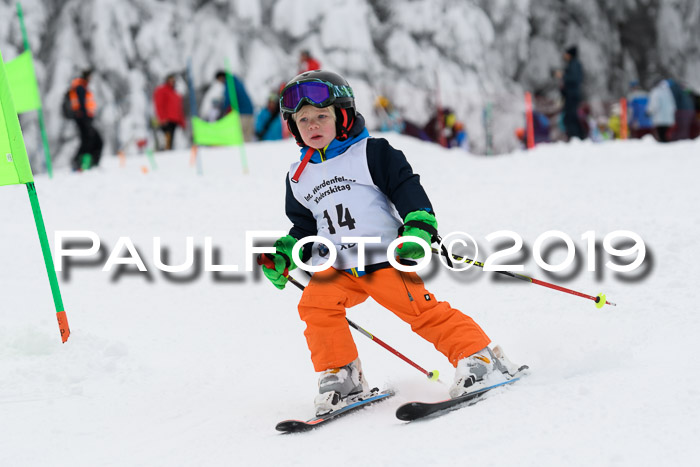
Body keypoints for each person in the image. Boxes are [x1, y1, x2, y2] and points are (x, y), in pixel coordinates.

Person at [259, 70, 525, 416]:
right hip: (337, 266)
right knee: (315, 305)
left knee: (420, 312)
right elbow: (305, 227)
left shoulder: (371, 153)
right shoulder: (299, 176)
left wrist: (417, 227)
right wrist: (285, 255)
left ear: (342, 115)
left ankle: (479, 357)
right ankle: (343, 376)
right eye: (303, 119)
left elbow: (406, 189)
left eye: (321, 116)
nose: (312, 125)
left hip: (383, 258)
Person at [68, 69, 103, 171]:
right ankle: (83, 164)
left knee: (90, 141)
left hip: (84, 119)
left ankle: (85, 164)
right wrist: (86, 119)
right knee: (92, 141)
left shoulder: (81, 86)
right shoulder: (80, 87)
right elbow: (82, 106)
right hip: (84, 119)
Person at [557, 45, 585, 140]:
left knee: (570, 117)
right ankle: (575, 137)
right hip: (571, 95)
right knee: (570, 117)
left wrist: (563, 75)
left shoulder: (574, 64)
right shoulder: (573, 64)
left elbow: (574, 79)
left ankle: (575, 137)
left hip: (572, 95)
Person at [152, 73, 185, 150]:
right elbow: (159, 104)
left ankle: (167, 152)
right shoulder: (162, 90)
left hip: (174, 120)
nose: (172, 82)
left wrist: (182, 122)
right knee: (165, 139)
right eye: (170, 80)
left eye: (173, 81)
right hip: (166, 120)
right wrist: (162, 118)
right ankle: (163, 152)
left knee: (171, 140)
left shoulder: (175, 93)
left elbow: (179, 109)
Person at [220, 73, 255, 142]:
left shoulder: (229, 84)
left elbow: (228, 99)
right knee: (248, 136)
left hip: (241, 113)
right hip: (250, 112)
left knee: (240, 135)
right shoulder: (237, 82)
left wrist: (223, 109)